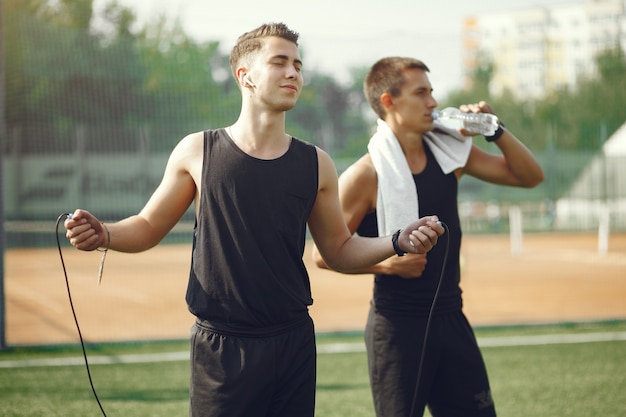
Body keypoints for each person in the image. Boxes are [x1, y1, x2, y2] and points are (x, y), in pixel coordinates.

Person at [64, 26, 444, 417]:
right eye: (279, 62)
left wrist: (397, 239)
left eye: (298, 64)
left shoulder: (317, 164)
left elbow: (340, 250)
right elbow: (147, 226)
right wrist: (105, 234)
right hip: (222, 345)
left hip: (293, 342)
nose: (293, 72)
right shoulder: (197, 150)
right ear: (245, 75)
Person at [312, 57, 544, 417]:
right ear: (389, 101)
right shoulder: (366, 174)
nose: (433, 102)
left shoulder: (450, 154)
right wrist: (386, 266)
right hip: (397, 326)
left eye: (432, 92)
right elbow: (322, 254)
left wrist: (494, 128)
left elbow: (529, 177)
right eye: (421, 93)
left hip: (452, 316)